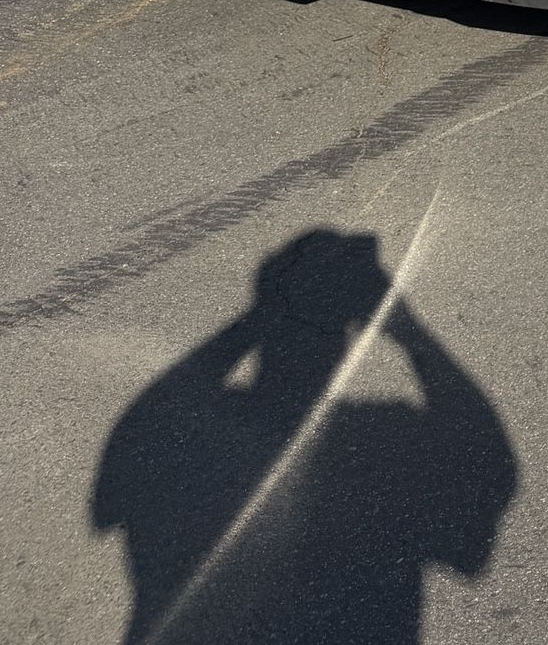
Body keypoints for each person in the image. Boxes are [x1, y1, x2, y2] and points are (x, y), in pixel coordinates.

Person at [93, 229, 518, 645]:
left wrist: (257, 318)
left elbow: (143, 430)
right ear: (348, 339)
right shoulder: (382, 438)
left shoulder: (204, 430)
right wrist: (404, 326)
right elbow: (488, 466)